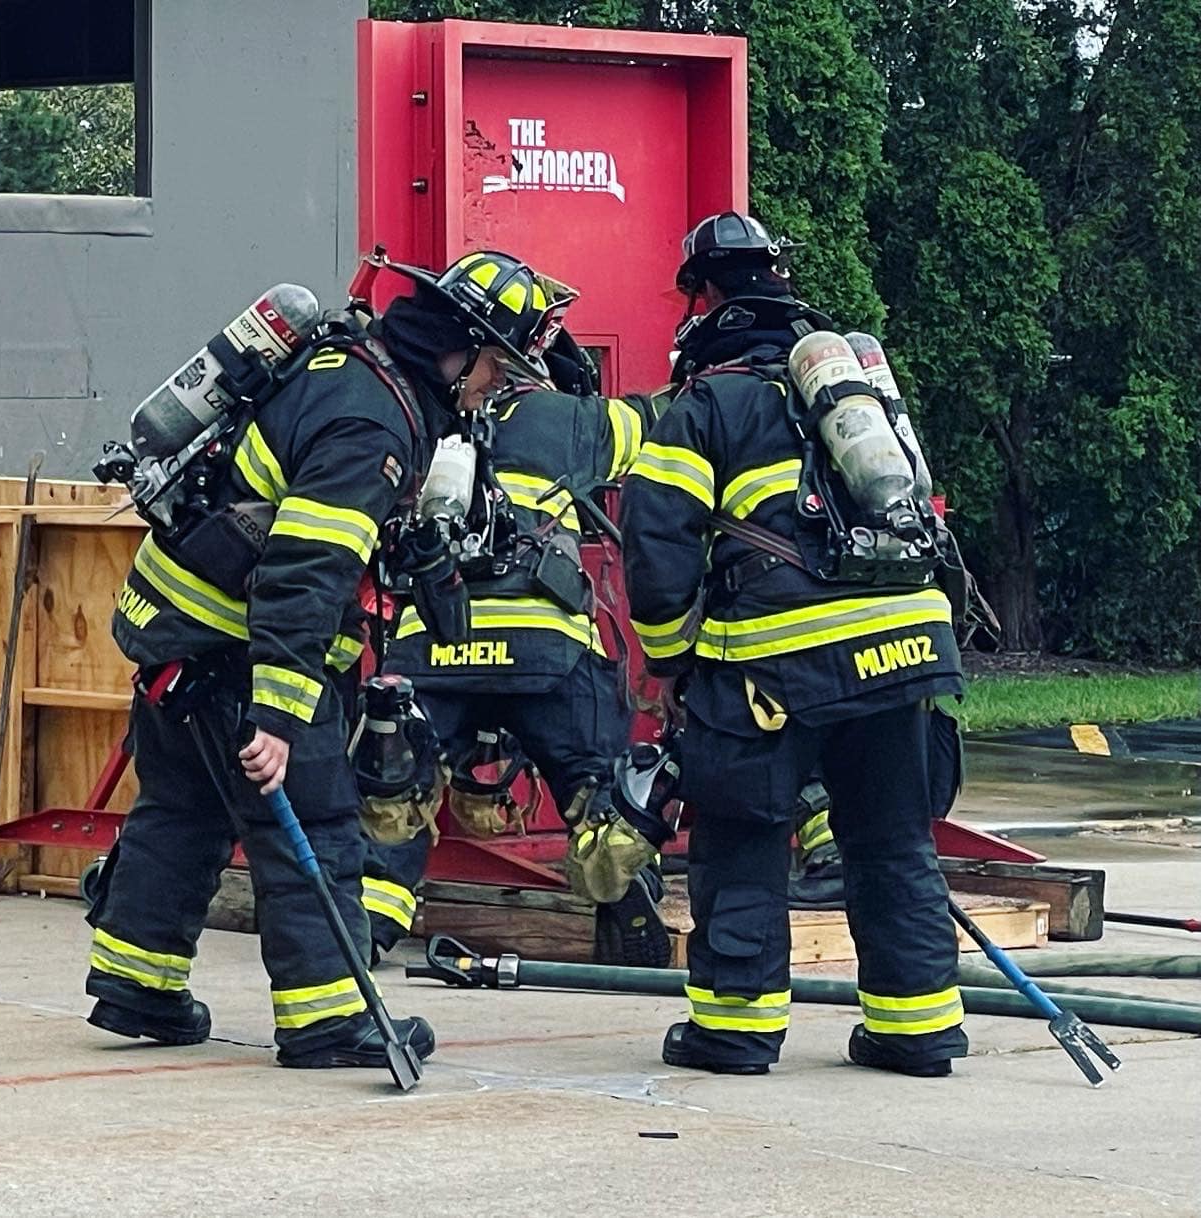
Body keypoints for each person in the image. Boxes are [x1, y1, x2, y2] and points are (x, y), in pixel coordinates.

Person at [84, 247, 561, 1069]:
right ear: (459, 347)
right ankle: (330, 1020)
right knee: (315, 822)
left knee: (182, 811)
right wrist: (277, 715)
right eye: (497, 368)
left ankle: (137, 986)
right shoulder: (373, 423)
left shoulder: (350, 361)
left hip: (173, 627)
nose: (495, 388)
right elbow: (305, 568)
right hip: (240, 651)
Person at [621, 211, 969, 1077]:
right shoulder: (856, 396)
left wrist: (671, 661)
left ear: (704, 297)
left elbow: (657, 551)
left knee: (743, 838)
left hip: (774, 668)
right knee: (891, 841)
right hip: (904, 652)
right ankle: (918, 1032)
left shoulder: (708, 405)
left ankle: (734, 1032)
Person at [360, 310, 672, 967]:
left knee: (401, 792)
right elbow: (660, 421)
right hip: (545, 650)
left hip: (434, 647)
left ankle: (368, 924)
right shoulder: (572, 419)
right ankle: (629, 912)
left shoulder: (420, 412)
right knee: (596, 788)